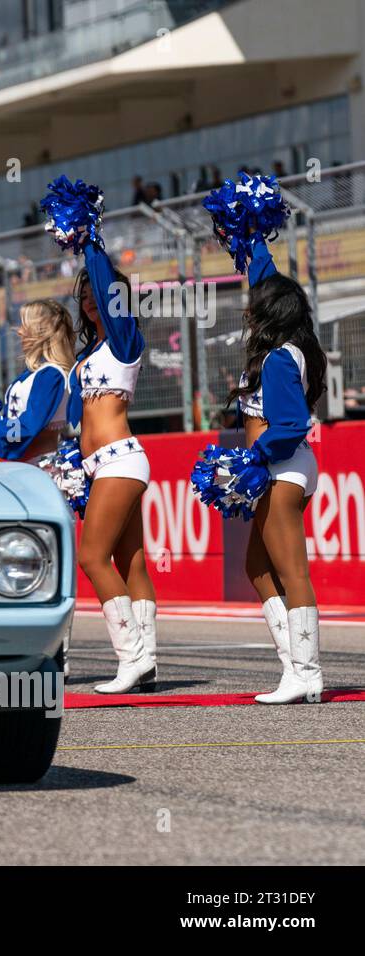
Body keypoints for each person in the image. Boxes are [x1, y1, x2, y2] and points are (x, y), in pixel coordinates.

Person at [230, 233, 327, 704]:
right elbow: (270, 283)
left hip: (283, 468)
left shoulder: (277, 359)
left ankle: (306, 673)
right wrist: (251, 237)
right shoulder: (289, 350)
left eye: (255, 304)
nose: (248, 310)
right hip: (282, 468)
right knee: (257, 566)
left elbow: (290, 423)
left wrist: (252, 456)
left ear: (270, 313)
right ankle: (294, 666)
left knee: (292, 573)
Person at [66, 222, 157, 694]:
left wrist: (89, 243)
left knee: (91, 556)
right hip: (102, 464)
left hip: (120, 460)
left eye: (95, 294)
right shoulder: (93, 350)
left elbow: (104, 286)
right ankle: (149, 660)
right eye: (82, 297)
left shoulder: (125, 337)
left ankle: (132, 659)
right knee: (131, 561)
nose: (89, 301)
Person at [0, 300, 75, 462]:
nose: (19, 331)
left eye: (24, 325)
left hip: (42, 467)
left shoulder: (51, 374)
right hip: (26, 466)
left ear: (39, 331)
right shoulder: (34, 373)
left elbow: (28, 426)